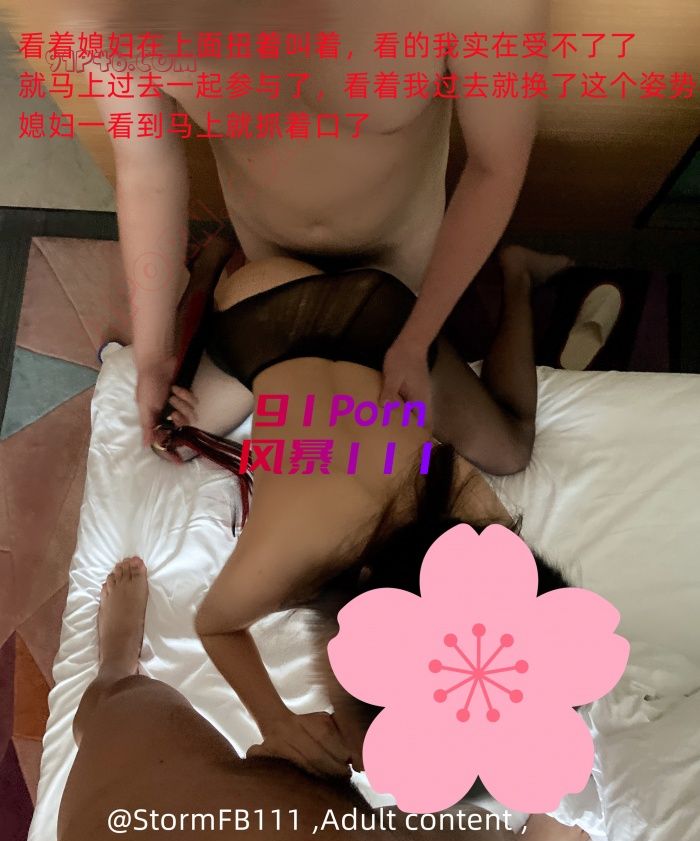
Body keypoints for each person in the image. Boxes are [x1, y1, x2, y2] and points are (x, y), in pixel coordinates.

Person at [0, 558, 589, 841]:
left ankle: (114, 667)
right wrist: (282, 725)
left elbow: (219, 623)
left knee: (123, 702)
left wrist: (277, 722)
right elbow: (219, 622)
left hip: (163, 830)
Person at [155, 245, 571, 773]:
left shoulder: (479, 545)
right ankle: (213, 265)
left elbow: (523, 643)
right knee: (172, 442)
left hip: (382, 318)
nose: (356, 759)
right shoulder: (292, 555)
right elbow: (214, 626)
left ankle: (517, 275)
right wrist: (275, 721)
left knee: (510, 452)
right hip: (269, 306)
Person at [70, 0, 549, 445]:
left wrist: (416, 337)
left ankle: (518, 278)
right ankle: (217, 275)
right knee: (174, 441)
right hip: (269, 276)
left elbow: (495, 166)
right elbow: (145, 168)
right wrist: (153, 356)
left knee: (492, 448)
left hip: (397, 276)